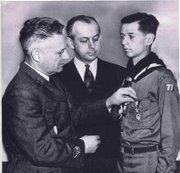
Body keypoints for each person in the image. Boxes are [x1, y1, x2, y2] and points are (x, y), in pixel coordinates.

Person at [2, 17, 136, 173]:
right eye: (60, 52)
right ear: (37, 55)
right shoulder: (21, 93)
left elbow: (76, 112)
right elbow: (42, 150)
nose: (66, 56)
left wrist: (109, 102)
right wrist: (82, 146)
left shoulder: (51, 80)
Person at [52, 15, 125, 173]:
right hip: (71, 166)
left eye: (96, 38)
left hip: (111, 165)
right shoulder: (56, 78)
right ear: (70, 43)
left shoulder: (119, 74)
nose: (92, 46)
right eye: (84, 40)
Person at [118, 12, 180, 173]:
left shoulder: (162, 78)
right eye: (122, 36)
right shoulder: (126, 76)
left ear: (149, 39)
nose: (124, 42)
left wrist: (165, 169)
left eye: (131, 36)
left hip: (149, 162)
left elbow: (171, 132)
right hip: (123, 159)